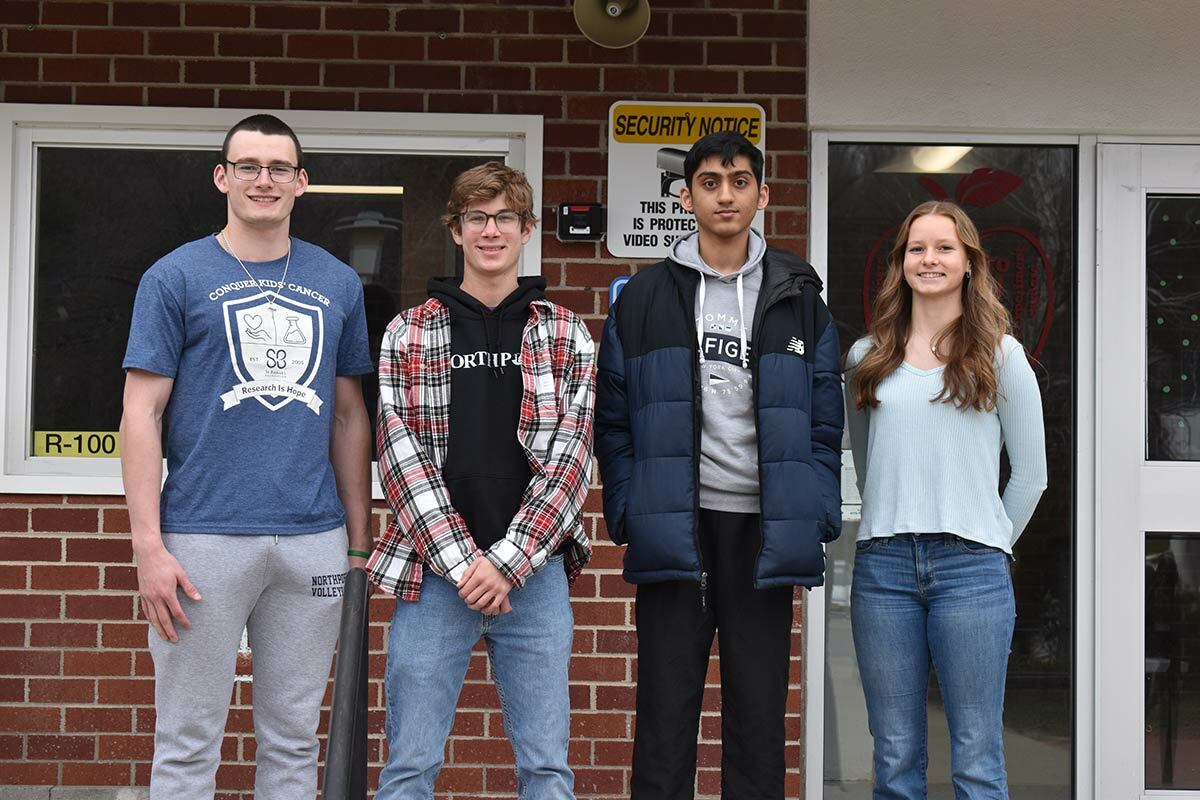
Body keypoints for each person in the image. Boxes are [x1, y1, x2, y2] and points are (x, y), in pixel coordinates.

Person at [120, 114, 373, 799]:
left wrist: (358, 538)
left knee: (293, 740)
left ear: (302, 182)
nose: (265, 180)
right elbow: (139, 414)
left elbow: (349, 414)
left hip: (312, 539)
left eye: (280, 168)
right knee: (186, 739)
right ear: (222, 176)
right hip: (202, 540)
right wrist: (148, 544)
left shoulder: (337, 282)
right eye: (250, 166)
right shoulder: (174, 277)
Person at [595, 131, 844, 799]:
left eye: (739, 181)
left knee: (760, 720)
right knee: (664, 719)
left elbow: (825, 422)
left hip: (765, 531)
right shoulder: (643, 301)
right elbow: (612, 422)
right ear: (687, 196)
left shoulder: (799, 297)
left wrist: (814, 505)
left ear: (762, 195)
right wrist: (627, 507)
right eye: (710, 182)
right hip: (678, 526)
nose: (725, 195)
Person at [367, 162, 595, 800]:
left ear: (525, 231)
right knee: (409, 767)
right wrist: (467, 563)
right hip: (436, 576)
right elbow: (399, 453)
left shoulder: (565, 333)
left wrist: (508, 562)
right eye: (476, 218)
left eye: (503, 218)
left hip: (537, 577)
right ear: (457, 230)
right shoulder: (409, 333)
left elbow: (572, 461)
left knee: (547, 769)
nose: (490, 230)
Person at [843, 200, 1048, 799]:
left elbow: (1031, 476)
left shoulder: (1002, 356)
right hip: (883, 571)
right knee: (896, 755)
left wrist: (988, 541)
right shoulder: (866, 358)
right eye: (917, 248)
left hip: (973, 572)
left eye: (944, 247)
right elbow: (864, 459)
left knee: (977, 754)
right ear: (901, 262)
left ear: (969, 262)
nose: (929, 259)